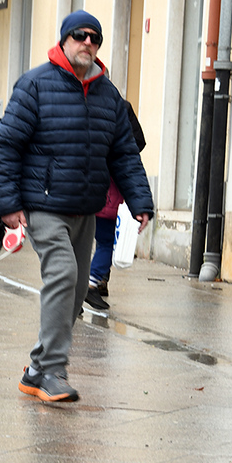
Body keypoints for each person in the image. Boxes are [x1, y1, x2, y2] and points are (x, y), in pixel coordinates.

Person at [0, 10, 154, 403]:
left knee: (78, 290)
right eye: (80, 36)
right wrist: (7, 204)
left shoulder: (108, 95)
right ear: (64, 39)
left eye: (95, 38)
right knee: (63, 274)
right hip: (43, 205)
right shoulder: (34, 85)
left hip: (86, 207)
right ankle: (53, 371)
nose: (88, 43)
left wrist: (140, 201)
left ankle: (35, 370)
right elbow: (6, 146)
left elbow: (125, 154)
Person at [85, 101, 147, 311]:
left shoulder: (77, 102)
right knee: (106, 242)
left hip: (80, 190)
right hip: (107, 190)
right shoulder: (120, 106)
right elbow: (137, 143)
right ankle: (91, 284)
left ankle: (76, 292)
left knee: (77, 244)